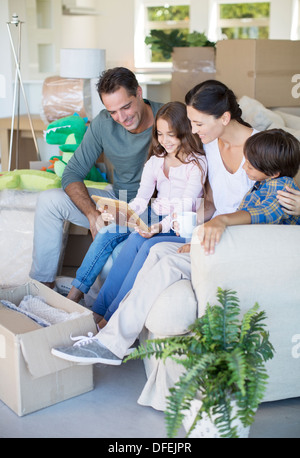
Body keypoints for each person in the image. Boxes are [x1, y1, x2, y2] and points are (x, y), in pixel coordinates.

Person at [51, 79, 264, 364]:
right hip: (201, 228)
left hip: (234, 236)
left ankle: (107, 334)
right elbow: (208, 202)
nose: (194, 132)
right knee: (142, 242)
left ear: (224, 118)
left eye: (197, 124)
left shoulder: (262, 146)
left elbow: (270, 202)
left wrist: (199, 227)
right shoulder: (210, 144)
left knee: (152, 248)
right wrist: (191, 225)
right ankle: (102, 325)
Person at [29, 67, 163, 289]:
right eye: (113, 112)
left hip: (155, 209)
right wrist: (92, 215)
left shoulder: (168, 118)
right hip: (118, 200)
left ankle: (95, 308)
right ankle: (42, 287)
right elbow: (72, 173)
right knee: (48, 201)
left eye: (126, 107)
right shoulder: (103, 123)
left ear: (138, 93)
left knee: (110, 263)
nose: (121, 118)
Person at [66, 101, 207, 305]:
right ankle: (74, 295)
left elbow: (184, 206)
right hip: (152, 213)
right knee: (107, 232)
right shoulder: (156, 160)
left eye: (171, 134)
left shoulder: (196, 163)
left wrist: (161, 226)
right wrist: (124, 212)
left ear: (184, 132)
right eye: (159, 134)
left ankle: (106, 308)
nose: (164, 141)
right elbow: (142, 198)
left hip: (175, 223)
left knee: (132, 241)